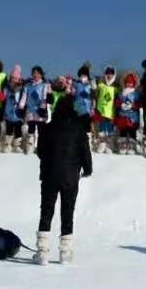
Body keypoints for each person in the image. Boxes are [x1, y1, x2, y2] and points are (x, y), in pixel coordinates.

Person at [34, 90, 92, 266]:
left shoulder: (47, 129)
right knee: (68, 212)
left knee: (46, 211)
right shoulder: (79, 130)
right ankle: (65, 252)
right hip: (70, 177)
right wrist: (87, 170)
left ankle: (42, 251)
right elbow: (85, 153)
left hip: (49, 175)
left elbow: (40, 152)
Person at [19, 65, 50, 155]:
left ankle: (41, 148)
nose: (36, 75)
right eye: (34, 73)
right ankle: (30, 147)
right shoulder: (28, 86)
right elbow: (24, 97)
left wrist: (43, 107)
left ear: (41, 74)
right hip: (30, 111)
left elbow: (45, 97)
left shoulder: (44, 85)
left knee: (41, 131)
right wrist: (21, 106)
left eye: (37, 73)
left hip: (40, 111)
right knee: (31, 130)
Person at [93, 66, 118, 153]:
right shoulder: (101, 85)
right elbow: (95, 93)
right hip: (101, 110)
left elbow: (118, 99)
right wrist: (94, 87)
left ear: (114, 75)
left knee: (110, 129)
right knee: (102, 128)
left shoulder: (116, 87)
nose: (109, 75)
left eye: (111, 73)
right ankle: (102, 144)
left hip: (111, 112)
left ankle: (109, 145)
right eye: (107, 73)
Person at [115, 72, 142, 154]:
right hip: (123, 117)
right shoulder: (121, 93)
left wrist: (132, 105)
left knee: (132, 131)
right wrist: (121, 104)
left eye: (131, 83)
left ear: (134, 84)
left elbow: (139, 104)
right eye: (127, 83)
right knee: (123, 131)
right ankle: (122, 145)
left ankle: (131, 146)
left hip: (132, 118)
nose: (129, 84)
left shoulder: (136, 94)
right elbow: (116, 102)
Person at [2, 65, 26, 153]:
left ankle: (17, 146)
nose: (14, 80)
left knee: (18, 130)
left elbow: (24, 99)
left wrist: (23, 111)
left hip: (18, 114)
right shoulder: (6, 88)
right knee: (9, 130)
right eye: (13, 78)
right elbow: (2, 98)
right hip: (8, 113)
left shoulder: (22, 89)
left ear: (19, 79)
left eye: (16, 78)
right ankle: (7, 145)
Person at [71, 63, 96, 133]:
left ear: (87, 76)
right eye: (80, 76)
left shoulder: (90, 85)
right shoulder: (76, 84)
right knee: (78, 129)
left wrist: (92, 108)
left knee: (87, 129)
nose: (82, 77)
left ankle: (89, 137)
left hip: (87, 111)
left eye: (84, 76)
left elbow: (93, 98)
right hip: (78, 110)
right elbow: (73, 96)